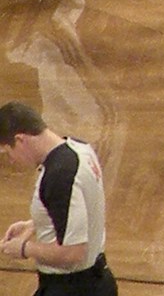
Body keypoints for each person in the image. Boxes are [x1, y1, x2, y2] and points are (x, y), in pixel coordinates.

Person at [0, 101, 117, 295]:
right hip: (97, 279)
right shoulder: (80, 149)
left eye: (7, 152)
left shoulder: (60, 174)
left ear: (20, 140)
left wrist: (24, 248)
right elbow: (78, 210)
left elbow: (73, 253)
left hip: (71, 288)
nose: (11, 161)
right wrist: (35, 224)